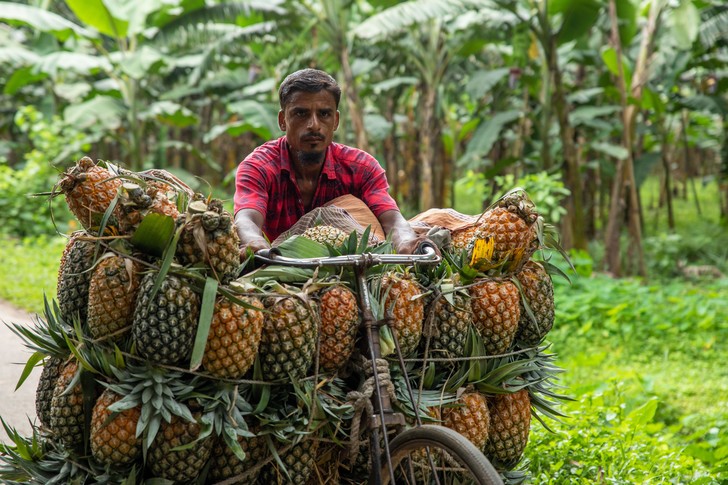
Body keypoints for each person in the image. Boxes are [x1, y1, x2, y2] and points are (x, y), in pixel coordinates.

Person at [234, 68, 434, 258]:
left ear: (336, 121)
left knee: (439, 220)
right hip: (282, 261)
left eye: (324, 114)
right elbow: (246, 218)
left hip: (354, 267)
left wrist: (407, 241)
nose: (314, 125)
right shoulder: (259, 167)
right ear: (282, 120)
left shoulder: (361, 167)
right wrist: (254, 242)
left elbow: (392, 220)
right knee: (327, 216)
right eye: (301, 113)